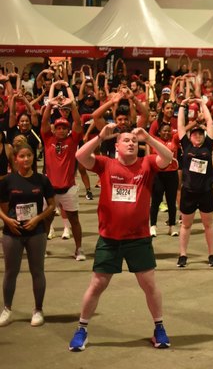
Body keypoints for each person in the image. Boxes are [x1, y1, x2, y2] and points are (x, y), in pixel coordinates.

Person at [69, 123, 174, 351]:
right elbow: (80, 155)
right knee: (97, 284)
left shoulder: (146, 164)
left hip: (138, 239)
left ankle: (159, 328)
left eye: (134, 141)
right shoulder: (106, 164)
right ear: (116, 145)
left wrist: (148, 138)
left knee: (149, 285)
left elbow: (168, 156)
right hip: (109, 238)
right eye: (126, 140)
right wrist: (100, 136)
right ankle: (82, 329)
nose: (131, 143)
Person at [0, 143, 56, 327]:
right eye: (22, 156)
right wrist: (7, 221)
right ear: (15, 159)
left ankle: (38, 310)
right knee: (10, 272)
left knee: (37, 271)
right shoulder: (8, 181)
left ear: (34, 157)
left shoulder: (42, 180)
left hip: (36, 232)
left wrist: (38, 219)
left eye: (29, 156)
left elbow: (52, 205)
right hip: (12, 232)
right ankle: (7, 309)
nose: (26, 159)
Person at [41, 83, 86, 261]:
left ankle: (79, 249)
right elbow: (44, 122)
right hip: (50, 190)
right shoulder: (47, 139)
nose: (60, 130)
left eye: (63, 128)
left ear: (68, 130)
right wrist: (50, 105)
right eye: (58, 127)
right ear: (54, 129)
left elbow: (77, 122)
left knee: (74, 220)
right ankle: (42, 248)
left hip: (68, 188)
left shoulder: (73, 140)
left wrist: (72, 104)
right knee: (46, 220)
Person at [176, 98, 213, 268]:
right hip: (189, 192)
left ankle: (212, 255)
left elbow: (209, 122)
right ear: (190, 136)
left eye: (201, 134)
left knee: (208, 224)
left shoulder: (208, 146)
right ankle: (183, 255)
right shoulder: (186, 146)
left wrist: (202, 103)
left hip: (206, 191)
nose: (199, 136)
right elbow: (180, 126)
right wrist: (182, 106)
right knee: (186, 225)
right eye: (195, 134)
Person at [148, 121, 179, 237]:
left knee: (171, 202)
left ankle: (172, 226)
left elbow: (182, 129)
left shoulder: (175, 140)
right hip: (158, 175)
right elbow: (148, 132)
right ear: (159, 132)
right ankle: (153, 226)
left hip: (172, 175)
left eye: (168, 130)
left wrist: (196, 122)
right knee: (156, 202)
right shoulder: (154, 141)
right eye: (164, 130)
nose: (166, 133)